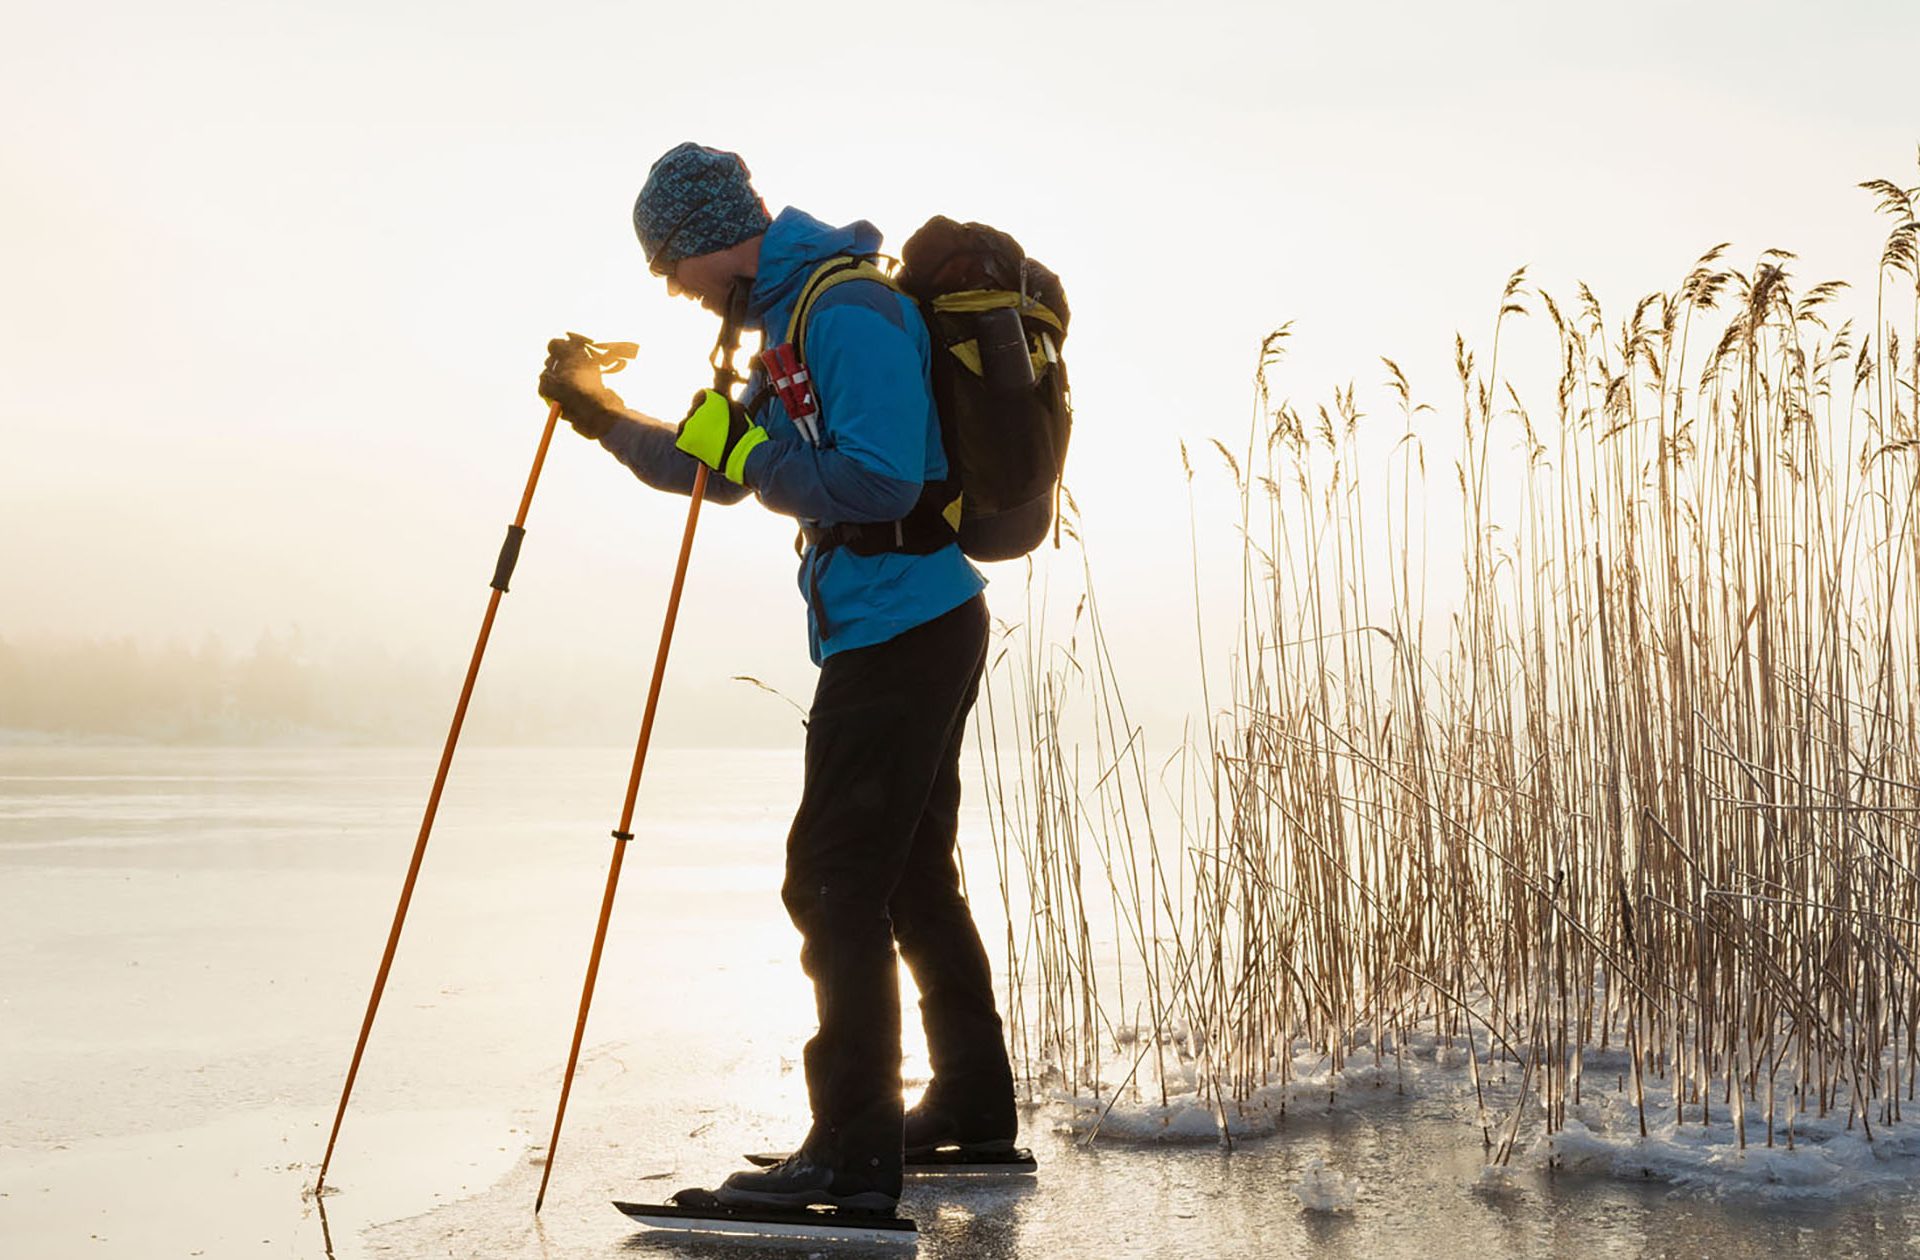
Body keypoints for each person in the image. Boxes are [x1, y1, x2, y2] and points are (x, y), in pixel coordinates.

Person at [536, 141, 1018, 1216]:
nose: (671, 287)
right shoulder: (790, 323)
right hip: (896, 621)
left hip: (904, 625)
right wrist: (601, 413)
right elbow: (711, 470)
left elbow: (878, 479)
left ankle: (849, 1156)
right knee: (907, 876)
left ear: (713, 235)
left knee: (832, 880)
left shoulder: (847, 312)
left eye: (670, 262)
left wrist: (751, 457)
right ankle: (972, 1108)